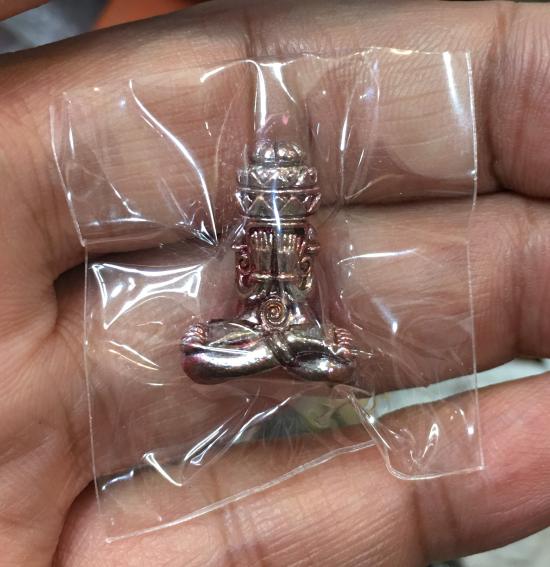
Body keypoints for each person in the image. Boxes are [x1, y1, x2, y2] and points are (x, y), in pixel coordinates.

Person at [1, 0, 550, 565]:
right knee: (203, 353)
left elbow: (321, 324)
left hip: (293, 324)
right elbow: (211, 338)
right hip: (259, 326)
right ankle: (275, 354)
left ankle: (277, 353)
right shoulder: (249, 244)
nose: (276, 216)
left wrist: (293, 331)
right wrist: (270, 334)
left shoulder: (304, 245)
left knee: (335, 358)